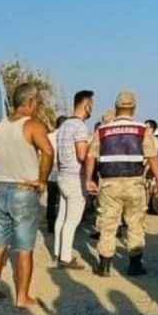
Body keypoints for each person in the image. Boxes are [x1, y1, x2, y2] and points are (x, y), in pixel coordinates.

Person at [0, 83, 54, 308]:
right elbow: (48, 151)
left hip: (1, 191)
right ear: (29, 102)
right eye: (37, 102)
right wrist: (42, 180)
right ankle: (22, 297)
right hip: (24, 191)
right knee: (24, 248)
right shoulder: (33, 125)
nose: (38, 106)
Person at [85, 91, 158, 277]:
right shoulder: (142, 129)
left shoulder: (103, 130)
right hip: (134, 183)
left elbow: (91, 156)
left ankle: (104, 266)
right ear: (134, 108)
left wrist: (88, 179)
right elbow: (152, 156)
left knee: (108, 224)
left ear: (116, 108)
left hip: (109, 184)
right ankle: (135, 265)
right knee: (135, 223)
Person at [53, 90, 95, 269]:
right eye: (92, 104)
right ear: (86, 105)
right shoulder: (80, 127)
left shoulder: (64, 126)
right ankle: (66, 258)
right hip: (75, 177)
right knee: (72, 220)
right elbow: (81, 154)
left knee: (61, 218)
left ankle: (57, 251)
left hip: (62, 176)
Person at [47, 116, 69, 233]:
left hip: (50, 170)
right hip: (64, 170)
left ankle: (51, 224)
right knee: (63, 200)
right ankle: (62, 224)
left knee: (51, 199)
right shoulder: (67, 136)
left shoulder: (48, 136)